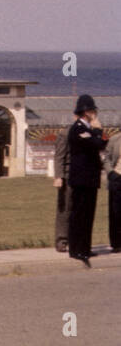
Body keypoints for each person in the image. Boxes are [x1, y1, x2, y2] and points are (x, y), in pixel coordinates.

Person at [66, 95, 107, 266]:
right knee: (80, 214)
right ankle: (77, 249)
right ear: (86, 112)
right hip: (81, 179)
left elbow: (103, 140)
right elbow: (97, 143)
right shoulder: (78, 129)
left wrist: (98, 132)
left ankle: (85, 246)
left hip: (89, 179)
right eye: (92, 111)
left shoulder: (87, 129)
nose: (94, 113)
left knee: (88, 214)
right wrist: (98, 131)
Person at [53, 128, 72, 252]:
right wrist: (59, 176)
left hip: (83, 177)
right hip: (68, 176)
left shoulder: (88, 133)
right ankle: (62, 240)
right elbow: (59, 156)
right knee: (64, 208)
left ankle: (77, 240)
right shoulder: (65, 133)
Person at [105, 131, 121, 254]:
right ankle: (116, 243)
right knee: (116, 212)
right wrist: (111, 173)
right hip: (117, 178)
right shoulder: (115, 139)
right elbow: (107, 158)